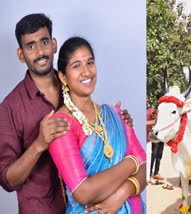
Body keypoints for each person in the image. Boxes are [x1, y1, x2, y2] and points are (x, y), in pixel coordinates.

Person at [0, 13, 132, 214]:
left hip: (89, 208)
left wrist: (117, 123)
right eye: (30, 46)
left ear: (53, 44)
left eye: (44, 42)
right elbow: (8, 180)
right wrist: (38, 145)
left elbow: (100, 141)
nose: (40, 52)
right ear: (21, 55)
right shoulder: (10, 108)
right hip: (41, 209)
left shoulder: (76, 85)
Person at [49, 37, 146, 214]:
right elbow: (83, 192)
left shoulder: (115, 114)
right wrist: (131, 163)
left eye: (90, 63)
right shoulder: (61, 124)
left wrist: (123, 193)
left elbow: (145, 167)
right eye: (77, 66)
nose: (86, 72)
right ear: (63, 77)